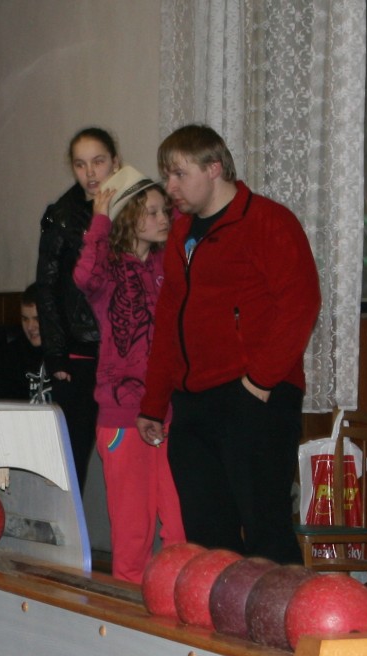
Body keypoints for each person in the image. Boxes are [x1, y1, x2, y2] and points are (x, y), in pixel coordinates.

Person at [136, 124, 320, 564]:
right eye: (166, 176)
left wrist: (259, 382)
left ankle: (282, 611)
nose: (170, 187)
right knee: (208, 541)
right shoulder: (181, 234)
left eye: (179, 174)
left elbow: (301, 303)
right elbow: (169, 321)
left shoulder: (267, 221)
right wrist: (153, 403)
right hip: (193, 403)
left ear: (214, 168)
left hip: (253, 397)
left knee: (266, 531)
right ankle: (220, 612)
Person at [73, 168, 184, 582]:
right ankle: (127, 607)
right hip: (122, 416)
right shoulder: (108, 272)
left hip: (167, 411)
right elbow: (85, 276)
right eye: (151, 212)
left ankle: (176, 601)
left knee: (180, 523)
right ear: (128, 218)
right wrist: (100, 221)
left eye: (164, 211)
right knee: (133, 530)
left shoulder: (164, 265)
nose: (162, 218)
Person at [35, 128, 118, 498]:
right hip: (78, 352)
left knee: (125, 457)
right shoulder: (61, 216)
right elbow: (47, 288)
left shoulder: (134, 208)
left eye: (98, 161)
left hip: (123, 352)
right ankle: (69, 530)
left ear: (115, 162)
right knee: (72, 456)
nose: (91, 172)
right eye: (80, 164)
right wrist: (55, 354)